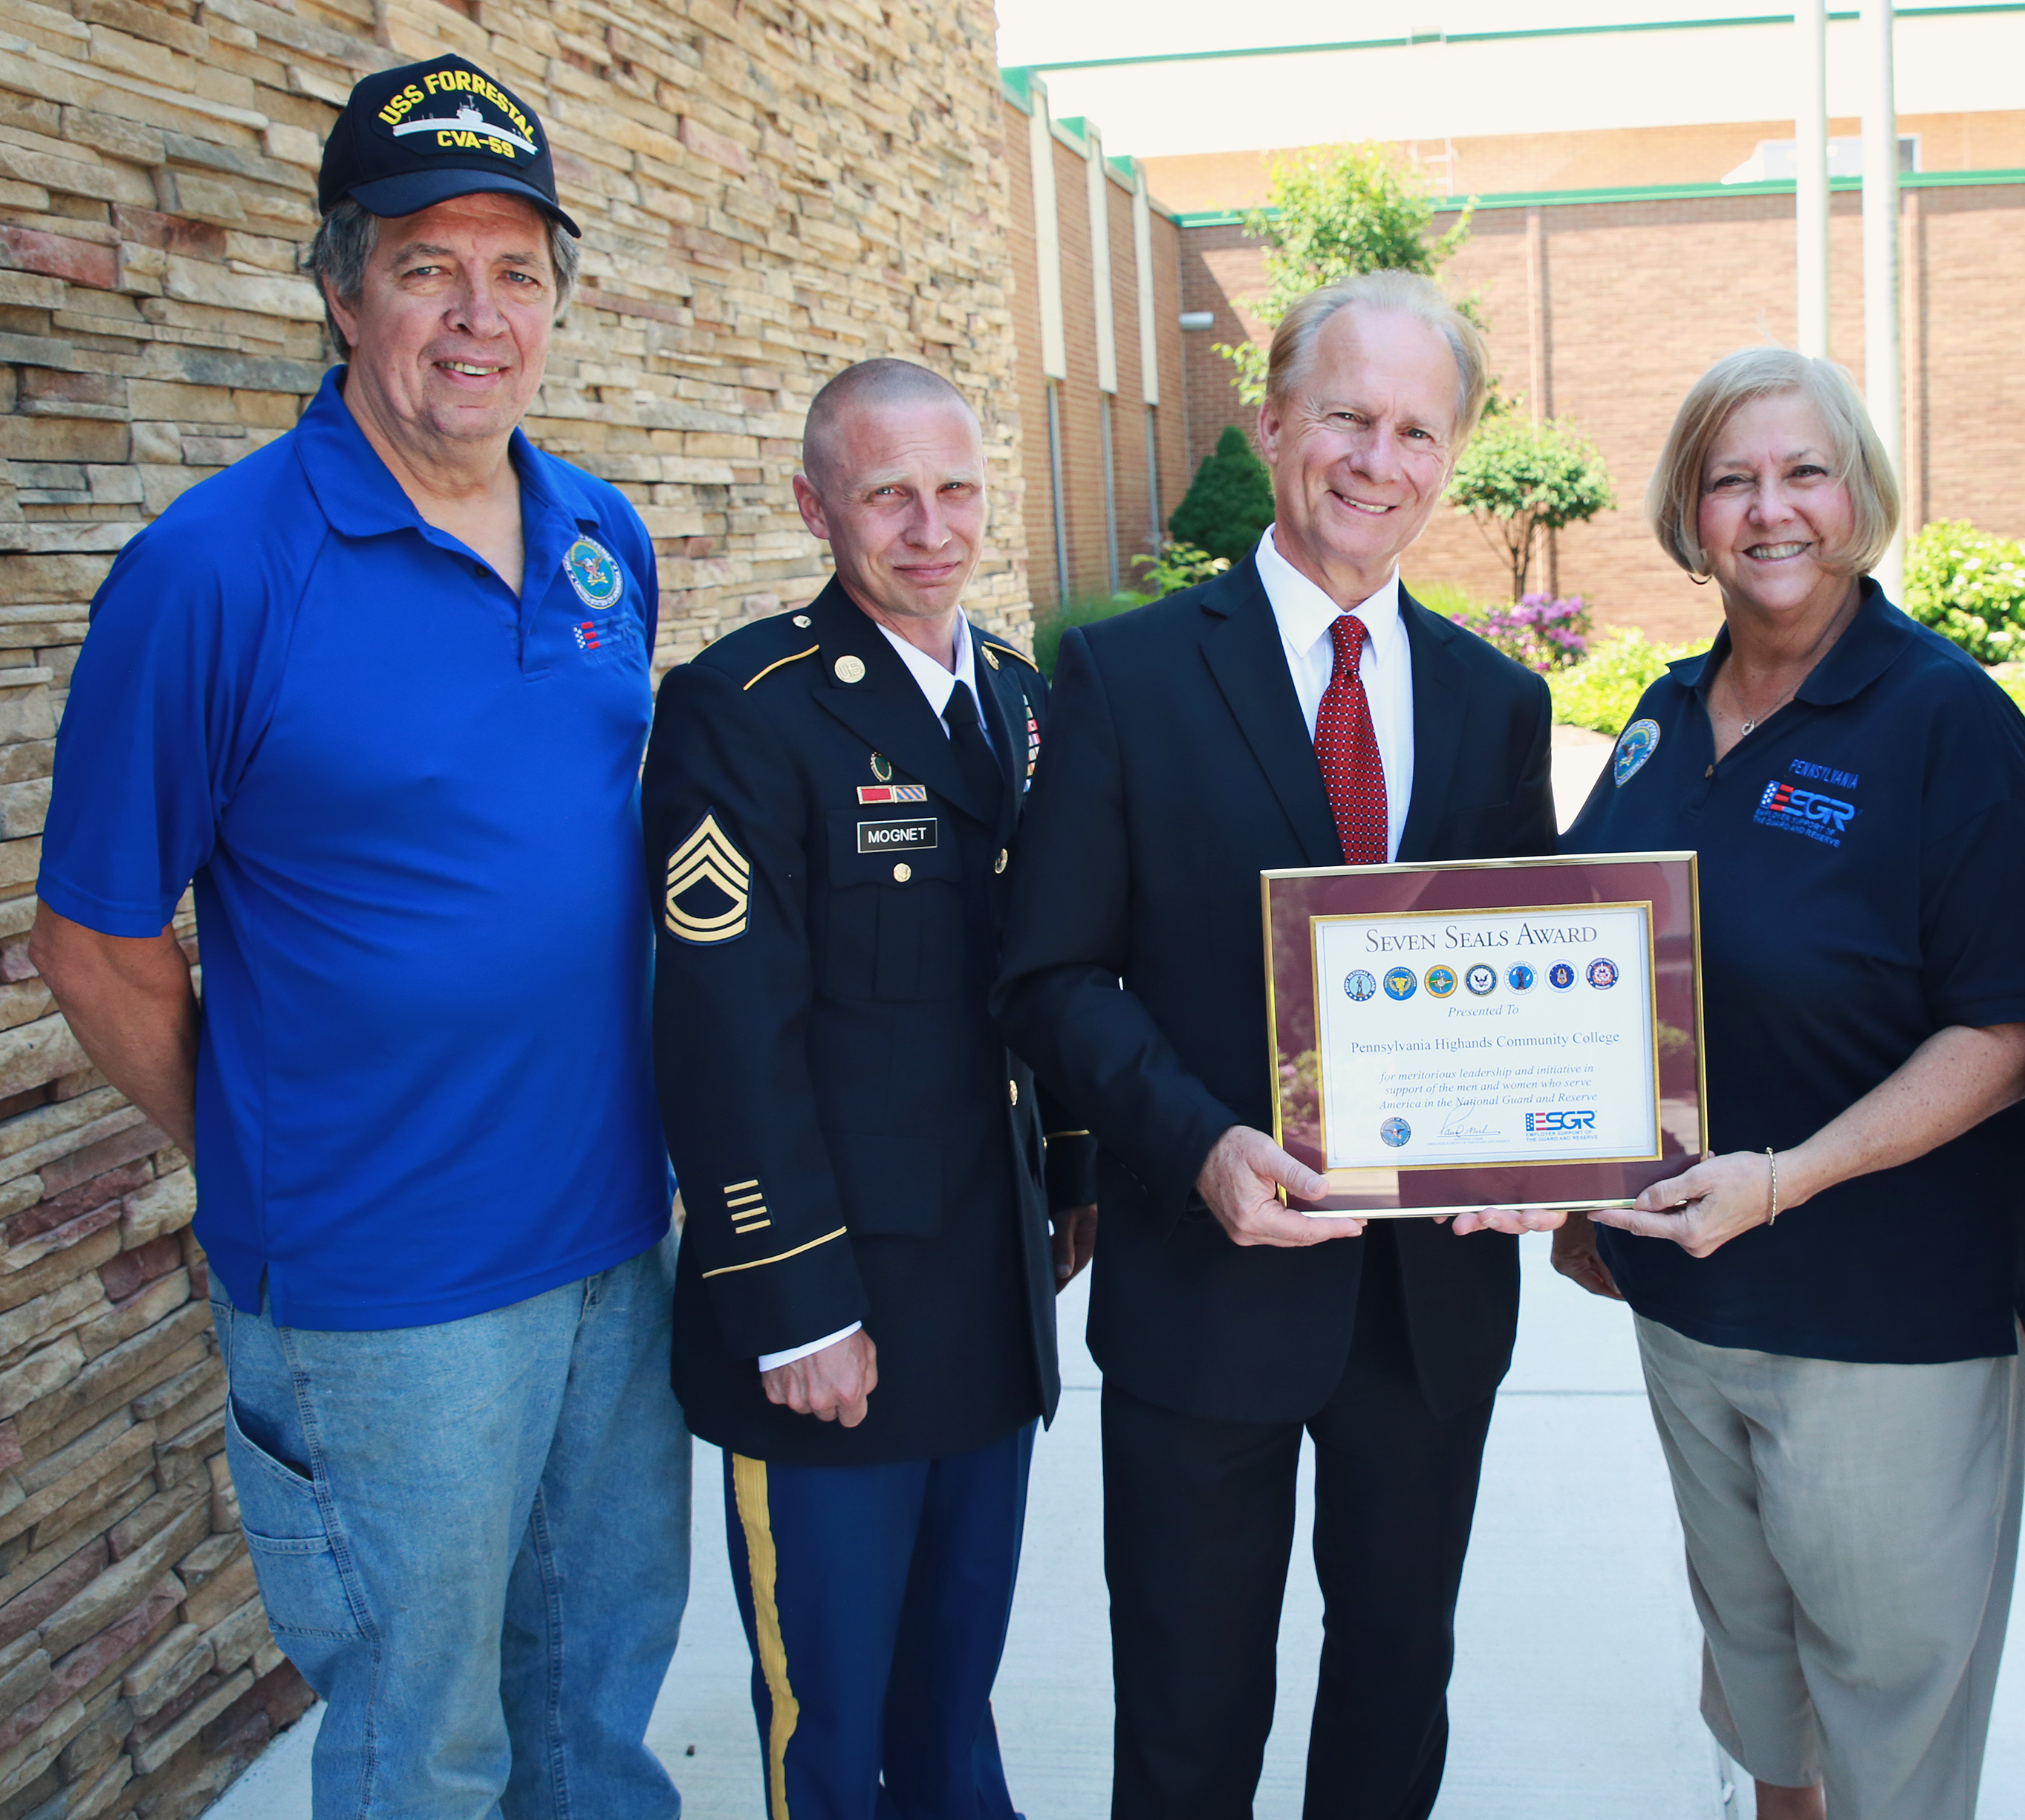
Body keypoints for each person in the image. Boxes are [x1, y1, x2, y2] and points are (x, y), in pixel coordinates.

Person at [29, 55, 688, 1819]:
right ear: (338, 287)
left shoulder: (602, 538)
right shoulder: (213, 571)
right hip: (389, 1296)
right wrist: (268, 1142)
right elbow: (93, 937)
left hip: (617, 1240)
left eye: (518, 269)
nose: (480, 317)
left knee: (598, 1697)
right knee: (428, 1743)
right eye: (426, 264)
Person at [992, 269, 1559, 1819]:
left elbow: (1532, 981)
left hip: (1429, 1305)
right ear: (1271, 421)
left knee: (1394, 1691)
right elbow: (1050, 974)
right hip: (1208, 1288)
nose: (1379, 460)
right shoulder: (1125, 673)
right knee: (1187, 1708)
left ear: (1453, 455)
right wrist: (1195, 1144)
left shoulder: (1497, 700)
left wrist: (1555, 1149)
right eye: (1345, 417)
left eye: (1416, 430)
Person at [1549, 346, 2025, 1820]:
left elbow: (2011, 1030)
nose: (1769, 508)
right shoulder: (1661, 712)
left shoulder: (1942, 721)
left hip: (1883, 1316)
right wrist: (1565, 1174)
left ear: (1859, 499)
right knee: (1765, 1681)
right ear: (1689, 514)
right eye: (1732, 478)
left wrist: (1788, 1176)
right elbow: (1585, 952)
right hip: (1693, 1299)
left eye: (1803, 471)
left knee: (1889, 1706)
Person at [645, 357, 1095, 1820]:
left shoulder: (1019, 702)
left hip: (986, 1297)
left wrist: (1076, 1168)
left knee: (953, 1706)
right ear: (815, 507)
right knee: (828, 1734)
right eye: (887, 493)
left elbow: (1053, 962)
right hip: (833, 1320)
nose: (929, 525)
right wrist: (794, 1304)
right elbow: (724, 1033)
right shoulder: (746, 709)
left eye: (956, 490)